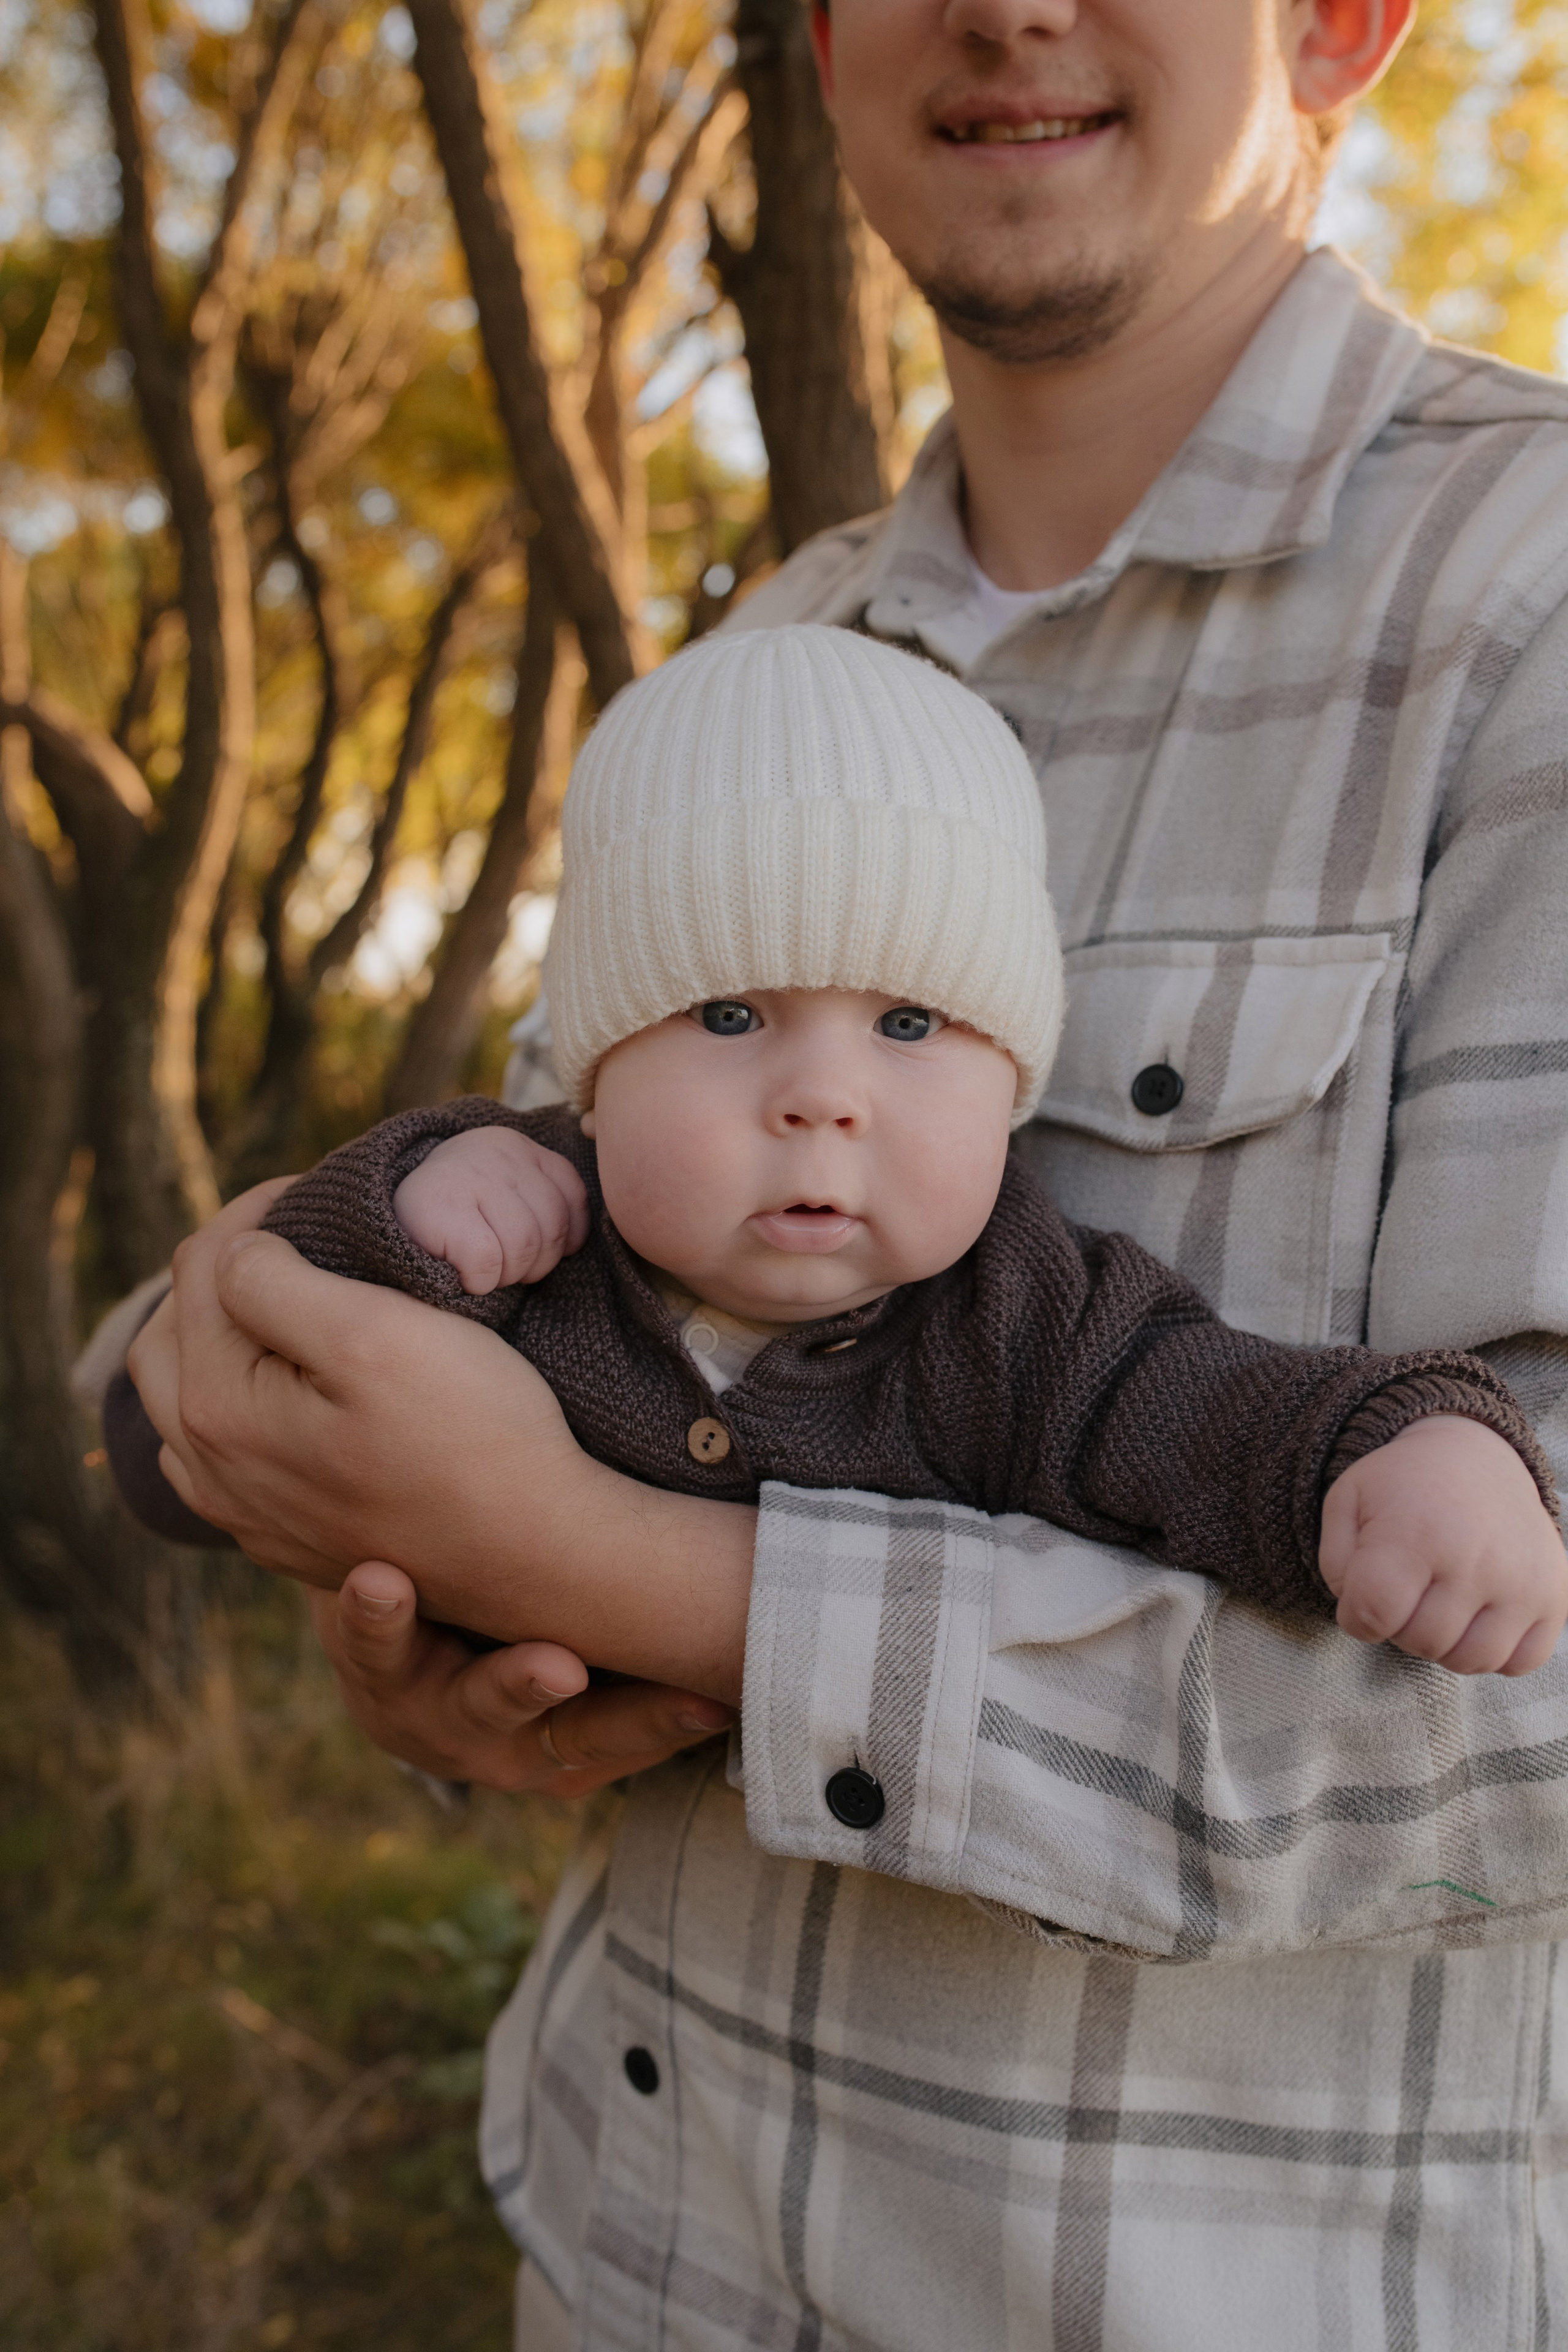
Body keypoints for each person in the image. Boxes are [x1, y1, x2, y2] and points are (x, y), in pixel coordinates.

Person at [126, 0, 1568, 2339]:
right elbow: (516, 1273)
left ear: (1338, 23)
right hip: (625, 2262)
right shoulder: (753, 657)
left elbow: (1526, 1699)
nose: (1006, 8)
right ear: (817, 49)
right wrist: (432, 1591)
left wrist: (623, 1566)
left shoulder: (1536, 602)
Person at [110, 625, 1563, 1667]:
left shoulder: (1029, 1325)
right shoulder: (530, 1217)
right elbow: (237, 1384)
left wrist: (1403, 1444)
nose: (821, 1097)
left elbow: (1218, 1417)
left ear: (1009, 1088)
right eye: (729, 1014)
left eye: (909, 1023)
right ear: (597, 1079)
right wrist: (400, 1199)